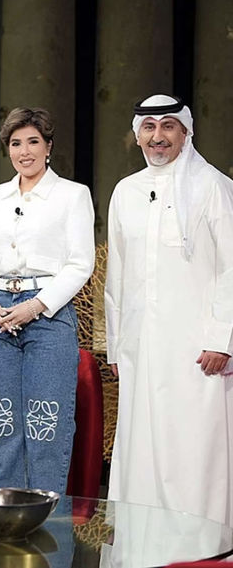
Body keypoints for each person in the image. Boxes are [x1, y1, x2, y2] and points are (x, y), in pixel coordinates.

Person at [105, 94, 233, 525]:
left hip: (197, 351)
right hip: (140, 347)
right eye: (149, 127)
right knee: (141, 448)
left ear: (185, 132)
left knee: (194, 449)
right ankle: (143, 546)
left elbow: (231, 267)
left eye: (168, 126)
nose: (157, 137)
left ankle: (204, 547)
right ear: (138, 134)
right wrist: (116, 345)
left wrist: (222, 339)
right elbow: (117, 276)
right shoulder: (126, 191)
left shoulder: (212, 186)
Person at [0, 107, 95, 493]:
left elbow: (81, 264)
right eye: (15, 143)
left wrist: (35, 306)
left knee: (46, 425)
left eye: (33, 142)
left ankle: (46, 521)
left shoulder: (72, 195)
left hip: (48, 315)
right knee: (0, 422)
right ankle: (4, 514)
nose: (24, 152)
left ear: (48, 147)